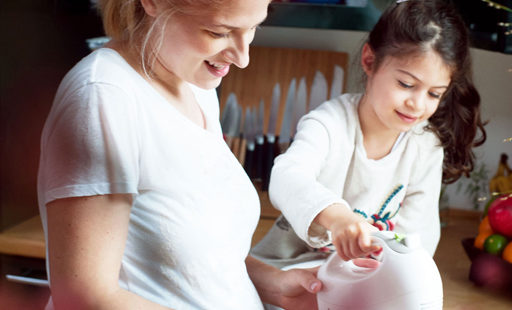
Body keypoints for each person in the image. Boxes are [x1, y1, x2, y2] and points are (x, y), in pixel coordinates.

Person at [37, 0, 323, 309]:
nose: (243, 58)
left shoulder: (195, 84)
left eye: (253, 28)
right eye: (219, 32)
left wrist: (277, 286)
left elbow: (196, 260)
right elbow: (82, 297)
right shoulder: (103, 98)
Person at [251, 0, 487, 267]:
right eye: (406, 84)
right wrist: (338, 217)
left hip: (370, 274)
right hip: (293, 264)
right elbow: (286, 177)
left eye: (434, 93)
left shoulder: (426, 146)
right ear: (369, 61)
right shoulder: (329, 124)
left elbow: (418, 238)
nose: (418, 105)